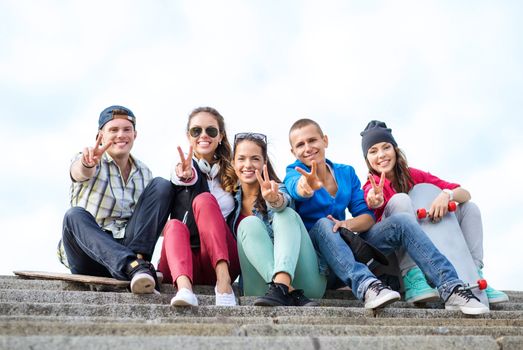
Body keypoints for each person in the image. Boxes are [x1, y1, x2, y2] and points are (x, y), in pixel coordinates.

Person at [283, 118, 489, 315]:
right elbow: (295, 188)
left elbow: (367, 218)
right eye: (300, 145)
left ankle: (451, 287)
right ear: (293, 151)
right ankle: (368, 286)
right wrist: (305, 186)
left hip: (344, 252)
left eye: (312, 140)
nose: (307, 148)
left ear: (324, 140)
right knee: (323, 224)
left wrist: (346, 223)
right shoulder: (294, 172)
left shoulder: (345, 172)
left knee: (402, 221)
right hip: (316, 261)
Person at [361, 120, 508, 304]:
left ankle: (475, 275)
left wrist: (447, 194)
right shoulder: (371, 185)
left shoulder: (412, 175)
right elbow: (370, 197)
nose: (381, 155)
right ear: (367, 159)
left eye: (386, 147)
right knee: (401, 200)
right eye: (373, 151)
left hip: (425, 251)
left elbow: (465, 193)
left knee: (470, 208)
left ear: (395, 150)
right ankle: (412, 276)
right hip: (390, 258)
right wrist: (375, 200)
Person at [58, 105, 174, 294]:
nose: (121, 135)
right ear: (100, 136)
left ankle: (137, 263)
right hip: (90, 253)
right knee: (73, 216)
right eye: (113, 130)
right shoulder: (88, 159)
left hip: (128, 246)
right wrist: (87, 164)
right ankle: (133, 266)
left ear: (135, 135)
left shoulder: (144, 172)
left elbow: (148, 220)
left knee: (162, 185)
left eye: (126, 129)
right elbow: (79, 171)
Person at [230, 132, 326, 307]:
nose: (248, 165)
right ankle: (285, 289)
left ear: (264, 163)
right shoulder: (229, 201)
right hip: (260, 288)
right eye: (241, 159)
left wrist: (273, 199)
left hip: (305, 283)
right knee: (248, 223)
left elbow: (282, 203)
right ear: (233, 163)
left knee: (286, 213)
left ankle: (282, 284)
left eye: (255, 159)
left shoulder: (278, 187)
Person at [157, 106, 240, 307]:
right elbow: (181, 176)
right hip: (182, 261)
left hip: (220, 261)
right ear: (189, 136)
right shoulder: (182, 166)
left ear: (220, 136)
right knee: (174, 225)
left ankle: (224, 284)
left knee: (205, 200)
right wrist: (185, 173)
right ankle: (185, 290)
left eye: (211, 130)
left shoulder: (234, 173)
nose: (204, 135)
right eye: (196, 131)